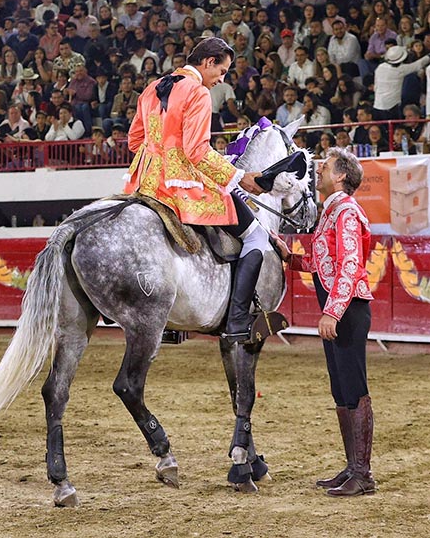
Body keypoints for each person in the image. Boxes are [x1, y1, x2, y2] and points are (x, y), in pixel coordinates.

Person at [123, 37, 268, 343]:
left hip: (144, 183)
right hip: (181, 186)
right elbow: (197, 152)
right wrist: (239, 176)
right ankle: (238, 319)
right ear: (207, 62)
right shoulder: (198, 91)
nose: (222, 79)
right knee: (256, 234)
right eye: (223, 71)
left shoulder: (153, 87)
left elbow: (135, 141)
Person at [272, 147, 376, 498]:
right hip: (342, 307)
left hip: (347, 311)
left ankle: (363, 474)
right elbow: (325, 265)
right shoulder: (332, 213)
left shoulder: (345, 210)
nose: (319, 169)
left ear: (342, 176)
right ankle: (353, 468)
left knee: (354, 387)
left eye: (326, 166)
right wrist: (292, 259)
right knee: (342, 389)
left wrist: (332, 311)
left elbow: (350, 265)